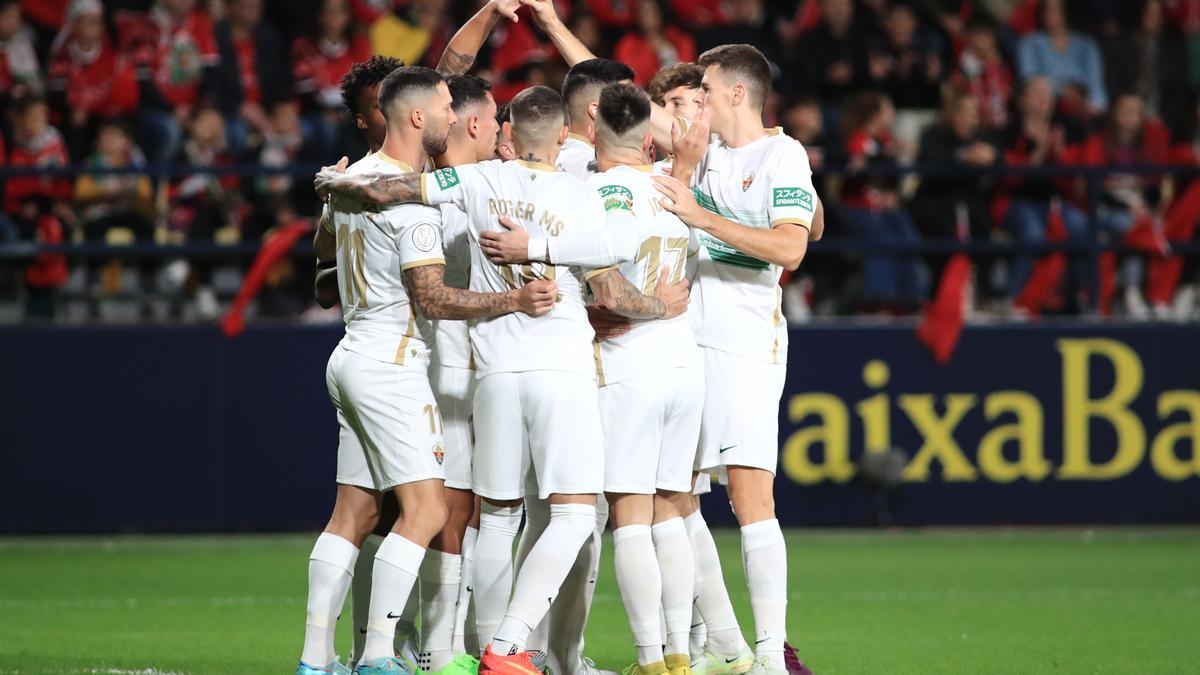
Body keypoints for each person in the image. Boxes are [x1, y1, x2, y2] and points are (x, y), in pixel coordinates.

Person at [315, 84, 685, 674]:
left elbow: (397, 187)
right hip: (560, 369)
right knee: (571, 514)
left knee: (499, 517)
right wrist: (664, 306)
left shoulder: (483, 179)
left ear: (509, 134)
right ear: (564, 135)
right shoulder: (583, 194)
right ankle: (508, 646)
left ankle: (475, 645)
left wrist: (338, 184)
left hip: (492, 373)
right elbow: (612, 285)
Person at [296, 66, 557, 675]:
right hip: (393, 362)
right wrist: (513, 300)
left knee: (353, 515)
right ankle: (380, 658)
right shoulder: (411, 201)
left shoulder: (351, 178)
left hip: (351, 353)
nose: (451, 114)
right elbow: (433, 298)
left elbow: (323, 252)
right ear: (417, 118)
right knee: (428, 512)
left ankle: (315, 660)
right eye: (443, 105)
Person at [649, 44, 823, 674]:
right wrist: (554, 22)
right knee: (673, 496)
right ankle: (700, 645)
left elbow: (790, 249)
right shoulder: (704, 150)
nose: (697, 96)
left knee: (751, 498)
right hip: (680, 347)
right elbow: (617, 96)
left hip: (745, 347)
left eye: (708, 86)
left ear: (737, 95)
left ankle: (771, 654)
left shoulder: (781, 155)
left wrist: (700, 217)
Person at [1016, 0, 1106, 115]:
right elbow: (1029, 80)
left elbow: (1096, 85)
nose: (1051, 14)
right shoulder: (1029, 43)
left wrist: (1095, 107)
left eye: (1056, 9)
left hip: (1085, 107)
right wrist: (1061, 90)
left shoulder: (1087, 44)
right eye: (1047, 9)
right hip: (1048, 107)